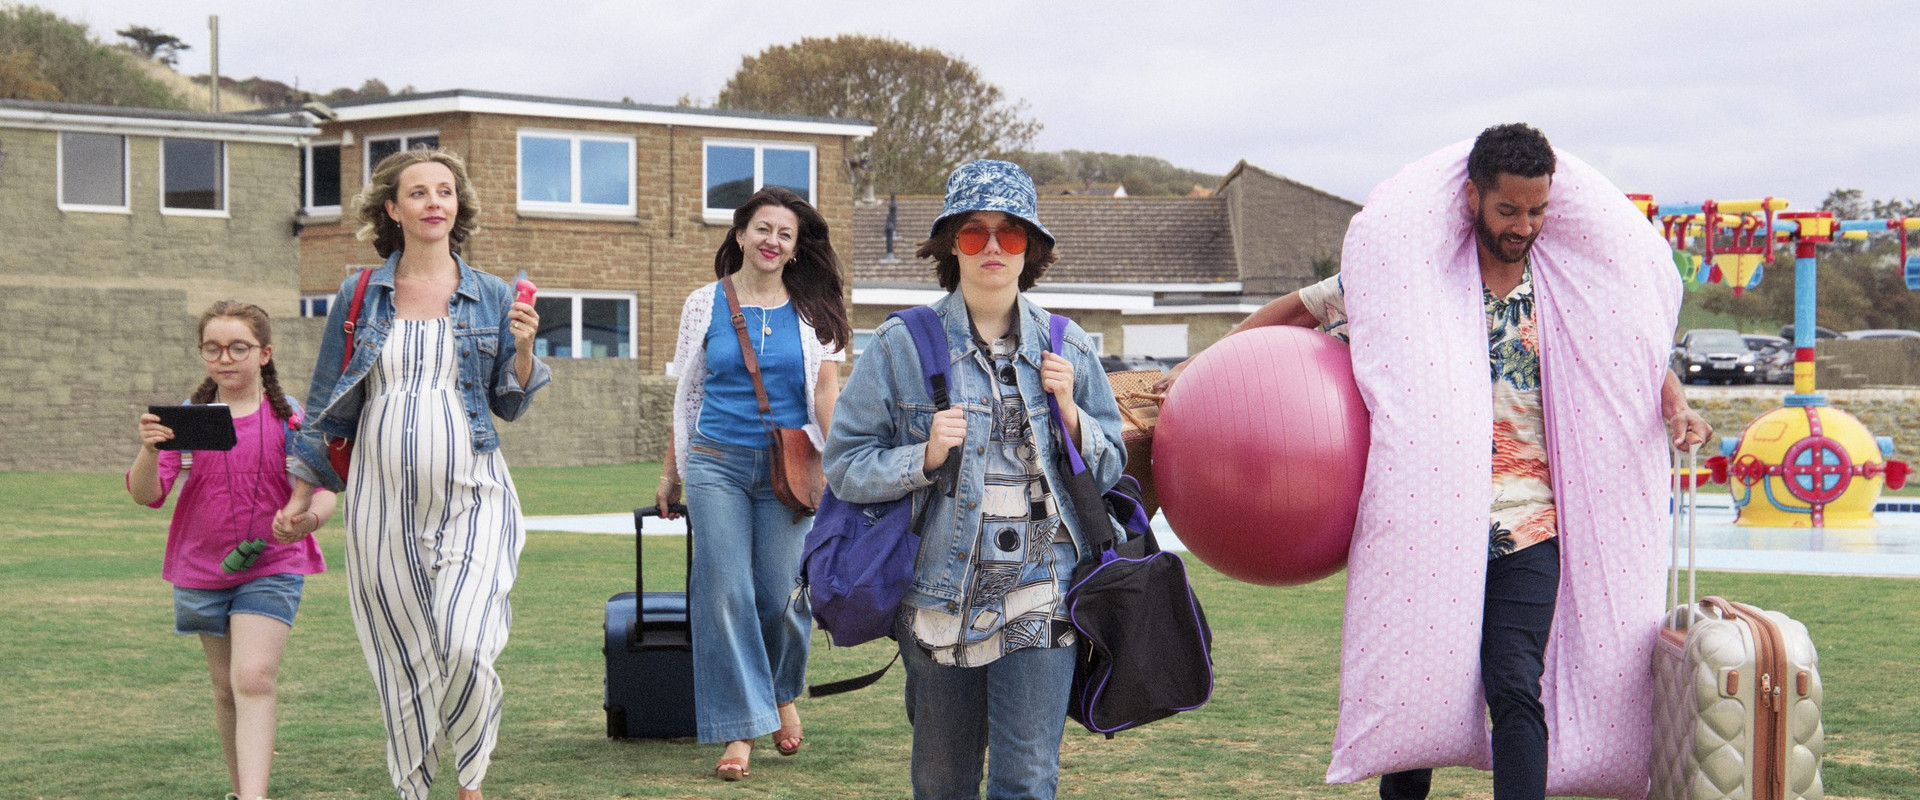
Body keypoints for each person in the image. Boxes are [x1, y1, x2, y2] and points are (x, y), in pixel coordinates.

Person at [1156, 124, 1712, 800]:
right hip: (1432, 517)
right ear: (1473, 197)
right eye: (1508, 209)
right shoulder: (1413, 282)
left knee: (1514, 684)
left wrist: (1677, 408)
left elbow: (1631, 357)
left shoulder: (1563, 284)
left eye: (1537, 210)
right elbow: (1297, 311)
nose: (1523, 225)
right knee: (1417, 691)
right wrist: (1200, 370)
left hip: (1530, 523)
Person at [823, 160, 1125, 800]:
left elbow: (1110, 466)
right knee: (944, 779)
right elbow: (845, 465)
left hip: (1044, 586)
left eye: (1009, 234)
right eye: (973, 232)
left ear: (1030, 250)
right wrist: (923, 458)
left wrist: (1071, 416)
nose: (992, 248)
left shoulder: (1068, 347)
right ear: (949, 245)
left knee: (1027, 776)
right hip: (939, 590)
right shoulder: (902, 344)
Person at [277, 147, 549, 800]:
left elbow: (509, 403)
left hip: (474, 495)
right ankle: (416, 788)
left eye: (445, 191)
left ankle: (472, 777)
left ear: (457, 207)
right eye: (419, 192)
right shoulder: (358, 295)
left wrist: (524, 348)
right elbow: (326, 407)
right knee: (401, 659)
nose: (434, 201)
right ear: (392, 209)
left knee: (463, 641)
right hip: (381, 506)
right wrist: (301, 496)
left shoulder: (492, 294)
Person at [655, 185, 852, 780]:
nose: (772, 241)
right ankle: (740, 727)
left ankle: (781, 692)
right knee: (722, 588)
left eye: (785, 234)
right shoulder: (701, 303)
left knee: (780, 593)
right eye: (763, 229)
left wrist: (843, 465)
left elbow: (826, 396)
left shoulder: (813, 311)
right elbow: (688, 395)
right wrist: (672, 472)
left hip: (790, 466)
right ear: (740, 234)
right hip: (716, 460)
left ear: (795, 249)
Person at [127, 300, 333, 800]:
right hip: (201, 568)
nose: (225, 358)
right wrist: (149, 450)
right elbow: (147, 494)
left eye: (238, 347)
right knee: (226, 689)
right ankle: (241, 790)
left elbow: (325, 491)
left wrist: (305, 519)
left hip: (272, 564)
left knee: (254, 677)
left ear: (264, 353)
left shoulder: (290, 418)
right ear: (203, 354)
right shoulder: (189, 420)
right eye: (213, 348)